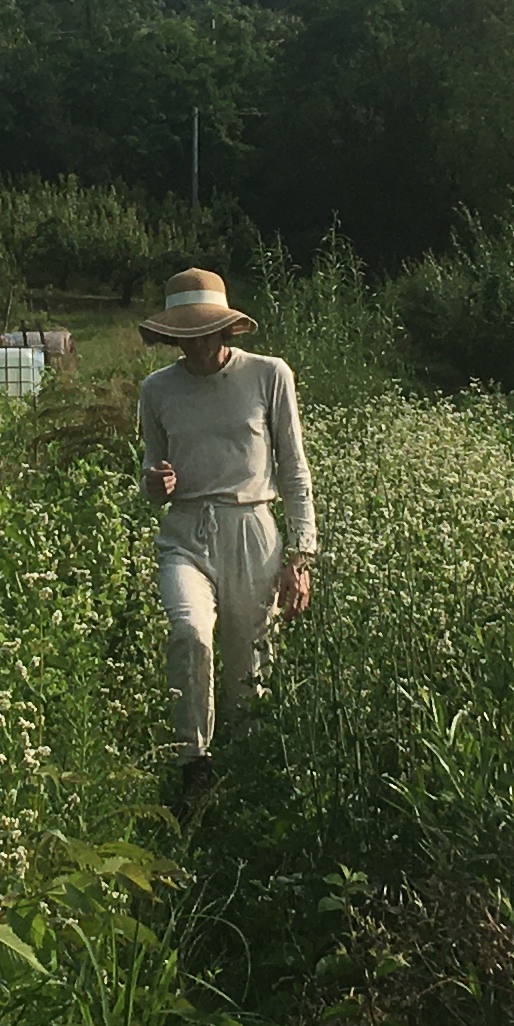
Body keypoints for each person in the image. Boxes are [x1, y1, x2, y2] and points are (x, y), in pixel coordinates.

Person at [133, 267, 315, 815]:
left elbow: (295, 470)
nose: (193, 345)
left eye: (203, 332)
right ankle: (194, 765)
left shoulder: (269, 376)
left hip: (252, 530)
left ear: (225, 329)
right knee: (189, 631)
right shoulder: (156, 389)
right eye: (183, 335)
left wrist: (300, 556)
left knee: (247, 672)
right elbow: (151, 472)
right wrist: (155, 483)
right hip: (185, 533)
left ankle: (250, 785)